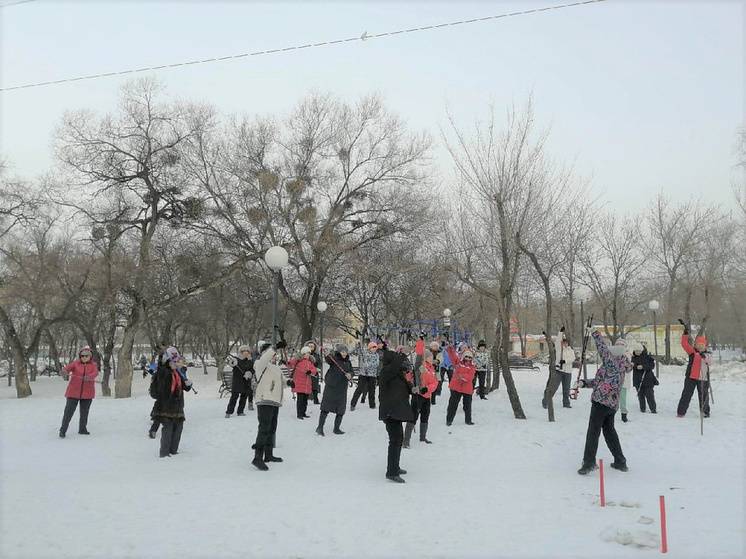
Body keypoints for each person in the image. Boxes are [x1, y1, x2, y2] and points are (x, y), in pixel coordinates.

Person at [576, 331, 631, 475]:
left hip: (601, 402)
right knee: (609, 432)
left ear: (623, 350)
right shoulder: (619, 364)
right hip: (611, 404)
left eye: (620, 346)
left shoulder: (613, 361)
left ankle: (588, 463)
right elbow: (601, 382)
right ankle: (620, 461)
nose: (616, 348)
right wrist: (584, 383)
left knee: (593, 432)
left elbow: (602, 349)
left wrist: (594, 332)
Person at [251, 340, 292, 470]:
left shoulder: (276, 368)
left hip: (275, 401)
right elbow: (266, 357)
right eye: (272, 353)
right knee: (264, 428)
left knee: (272, 428)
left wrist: (289, 383)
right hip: (264, 399)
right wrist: (274, 347)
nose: (274, 356)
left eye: (274, 354)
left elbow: (282, 382)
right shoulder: (259, 364)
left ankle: (268, 455)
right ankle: (257, 458)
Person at [378, 348, 415, 483]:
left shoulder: (397, 375)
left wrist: (415, 389)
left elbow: (407, 387)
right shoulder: (386, 372)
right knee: (394, 440)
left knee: (398, 439)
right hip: (389, 412)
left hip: (397, 412)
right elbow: (393, 368)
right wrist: (402, 355)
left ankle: (395, 466)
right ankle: (391, 472)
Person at [150, 348, 193, 458]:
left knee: (178, 428)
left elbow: (184, 387)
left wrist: (188, 384)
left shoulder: (177, 373)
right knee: (168, 429)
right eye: (174, 361)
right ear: (168, 362)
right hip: (166, 406)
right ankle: (164, 453)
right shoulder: (163, 373)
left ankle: (174, 450)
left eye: (178, 361)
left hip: (178, 406)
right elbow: (159, 391)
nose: (177, 363)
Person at [59, 346, 99, 438]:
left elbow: (95, 373)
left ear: (90, 356)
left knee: (84, 412)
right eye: (82, 356)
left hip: (87, 393)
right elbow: (67, 368)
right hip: (73, 392)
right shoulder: (75, 364)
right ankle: (63, 430)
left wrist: (89, 377)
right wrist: (64, 371)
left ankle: (82, 429)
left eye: (86, 356)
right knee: (68, 412)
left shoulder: (93, 365)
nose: (84, 357)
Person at [403, 352, 439, 448]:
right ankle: (406, 441)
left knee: (425, 416)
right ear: (426, 358)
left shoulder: (432, 368)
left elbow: (435, 382)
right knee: (413, 417)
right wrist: (409, 373)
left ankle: (423, 437)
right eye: (430, 357)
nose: (432, 358)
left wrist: (427, 388)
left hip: (427, 396)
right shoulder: (420, 366)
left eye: (432, 357)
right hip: (418, 396)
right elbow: (409, 377)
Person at [316, 344, 353, 436]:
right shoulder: (334, 359)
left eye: (345, 352)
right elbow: (328, 359)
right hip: (331, 388)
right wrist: (326, 354)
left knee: (341, 410)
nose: (344, 353)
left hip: (342, 389)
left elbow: (352, 371)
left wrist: (350, 375)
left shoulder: (348, 362)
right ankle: (320, 427)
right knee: (325, 408)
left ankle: (336, 428)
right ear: (339, 352)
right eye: (342, 352)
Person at [676, 323, 711, 418]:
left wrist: (704, 357)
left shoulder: (708, 354)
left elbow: (709, 362)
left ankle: (705, 412)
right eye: (698, 344)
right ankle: (681, 412)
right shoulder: (692, 352)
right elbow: (684, 344)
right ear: (695, 345)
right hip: (691, 377)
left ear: (705, 346)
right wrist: (685, 333)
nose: (700, 346)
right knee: (686, 395)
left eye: (702, 345)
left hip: (703, 378)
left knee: (703, 396)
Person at [445, 344, 477, 426]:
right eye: (467, 357)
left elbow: (470, 377)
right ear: (463, 357)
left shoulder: (472, 367)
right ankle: (449, 420)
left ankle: (468, 420)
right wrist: (450, 348)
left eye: (470, 357)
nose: (468, 359)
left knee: (467, 406)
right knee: (453, 404)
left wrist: (461, 376)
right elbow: (452, 356)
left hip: (467, 388)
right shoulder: (458, 362)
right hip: (456, 387)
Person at [287, 346, 317, 420]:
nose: (308, 355)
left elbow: (314, 370)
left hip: (307, 384)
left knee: (305, 400)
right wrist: (287, 362)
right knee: (300, 400)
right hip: (299, 383)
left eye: (309, 353)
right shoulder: (298, 361)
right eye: (306, 353)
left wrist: (310, 371)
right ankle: (299, 414)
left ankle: (303, 412)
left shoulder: (310, 362)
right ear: (303, 353)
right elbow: (290, 364)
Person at [226, 345, 254, 418]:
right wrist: (232, 362)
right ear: (240, 352)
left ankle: (240, 411)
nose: (245, 352)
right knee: (234, 397)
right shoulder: (236, 359)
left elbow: (252, 369)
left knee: (244, 397)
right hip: (237, 381)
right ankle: (229, 411)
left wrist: (249, 373)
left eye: (247, 351)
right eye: (243, 351)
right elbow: (231, 363)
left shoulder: (250, 360)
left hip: (246, 381)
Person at [351, 341, 379, 410]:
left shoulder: (376, 355)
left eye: (375, 347)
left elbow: (376, 364)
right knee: (359, 389)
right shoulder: (364, 353)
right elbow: (357, 352)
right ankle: (353, 404)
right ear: (369, 348)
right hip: (363, 374)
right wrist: (358, 346)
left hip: (372, 375)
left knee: (372, 390)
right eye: (373, 347)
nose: (374, 349)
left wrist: (368, 365)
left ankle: (372, 405)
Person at [632, 344, 658, 413]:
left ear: (642, 350)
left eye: (639, 351)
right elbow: (631, 365)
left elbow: (652, 365)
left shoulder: (647, 357)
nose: (637, 352)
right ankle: (642, 409)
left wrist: (643, 366)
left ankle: (653, 409)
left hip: (648, 380)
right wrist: (635, 366)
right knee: (640, 395)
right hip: (638, 380)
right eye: (636, 351)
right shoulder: (633, 358)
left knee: (650, 395)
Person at [304, 340, 323, 405]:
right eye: (309, 346)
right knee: (306, 386)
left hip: (315, 373)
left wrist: (318, 368)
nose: (311, 348)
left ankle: (315, 399)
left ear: (314, 347)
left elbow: (320, 364)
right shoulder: (304, 355)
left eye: (312, 346)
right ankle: (305, 399)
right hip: (307, 373)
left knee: (315, 387)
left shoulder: (317, 355)